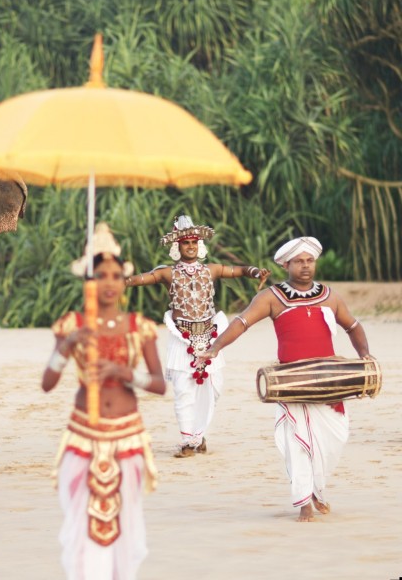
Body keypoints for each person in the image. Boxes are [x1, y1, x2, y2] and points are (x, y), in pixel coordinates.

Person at [200, 236, 372, 522]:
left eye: (310, 261)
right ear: (286, 264)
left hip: (329, 379)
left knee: (335, 436)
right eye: (299, 261)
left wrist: (365, 355)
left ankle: (317, 488)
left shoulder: (330, 296)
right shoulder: (271, 297)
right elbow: (241, 323)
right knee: (296, 440)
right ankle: (304, 501)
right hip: (291, 381)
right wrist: (216, 347)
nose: (306, 266)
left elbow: (353, 327)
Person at [42, 224, 166, 580]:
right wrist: (66, 347)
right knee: (81, 523)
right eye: (100, 276)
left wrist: (123, 372)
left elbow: (159, 384)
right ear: (89, 281)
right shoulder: (72, 325)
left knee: (125, 524)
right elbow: (48, 384)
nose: (108, 282)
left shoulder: (139, 326)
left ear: (124, 279)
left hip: (127, 435)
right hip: (84, 434)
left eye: (115, 275)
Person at [125, 215, 271, 457]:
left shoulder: (211, 270)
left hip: (210, 337)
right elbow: (140, 279)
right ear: (177, 247)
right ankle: (187, 442)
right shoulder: (167, 273)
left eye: (194, 242)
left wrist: (255, 272)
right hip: (182, 338)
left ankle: (198, 436)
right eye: (185, 243)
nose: (190, 246)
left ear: (200, 245)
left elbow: (238, 271)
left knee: (213, 389)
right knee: (184, 390)